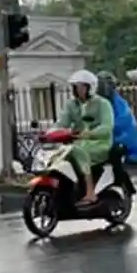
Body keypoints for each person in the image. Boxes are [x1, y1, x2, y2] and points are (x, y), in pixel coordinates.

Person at [55, 70, 114, 203]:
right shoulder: (71, 105)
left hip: (99, 143)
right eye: (75, 87)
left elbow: (107, 127)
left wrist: (89, 134)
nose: (76, 90)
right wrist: (51, 132)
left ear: (90, 87)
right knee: (62, 154)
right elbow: (62, 122)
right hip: (77, 143)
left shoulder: (103, 104)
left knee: (81, 152)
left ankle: (90, 192)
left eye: (80, 87)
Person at [96, 71, 137, 192]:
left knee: (114, 154)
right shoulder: (94, 102)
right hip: (98, 139)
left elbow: (123, 122)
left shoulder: (119, 103)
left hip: (119, 139)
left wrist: (105, 127)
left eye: (107, 85)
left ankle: (121, 183)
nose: (105, 88)